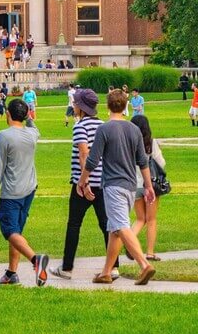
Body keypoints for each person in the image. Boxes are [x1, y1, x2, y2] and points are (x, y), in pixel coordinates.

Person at [77, 89, 156, 285]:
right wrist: (148, 186)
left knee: (120, 226)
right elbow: (143, 161)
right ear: (125, 106)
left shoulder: (104, 129)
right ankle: (106, 272)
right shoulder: (134, 129)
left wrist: (82, 180)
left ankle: (144, 264)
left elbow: (92, 160)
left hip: (113, 186)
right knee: (114, 229)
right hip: (130, 186)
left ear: (107, 106)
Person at [50, 89, 120, 280]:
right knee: (107, 224)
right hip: (103, 182)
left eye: (75, 103)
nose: (73, 106)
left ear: (81, 107)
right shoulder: (104, 126)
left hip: (83, 183)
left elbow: (84, 154)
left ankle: (67, 267)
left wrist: (84, 181)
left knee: (74, 224)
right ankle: (114, 266)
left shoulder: (80, 126)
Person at [0, 98, 49, 287]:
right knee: (17, 231)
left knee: (10, 230)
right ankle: (12, 272)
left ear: (8, 114)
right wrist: (29, 116)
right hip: (29, 189)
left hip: (12, 191)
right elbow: (33, 126)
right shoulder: (32, 134)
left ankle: (35, 260)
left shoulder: (4, 136)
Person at [129, 115, 165, 261]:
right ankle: (150, 252)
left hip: (134, 184)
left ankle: (129, 243)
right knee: (151, 219)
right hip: (150, 184)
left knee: (139, 219)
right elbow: (161, 163)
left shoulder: (128, 143)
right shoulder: (151, 143)